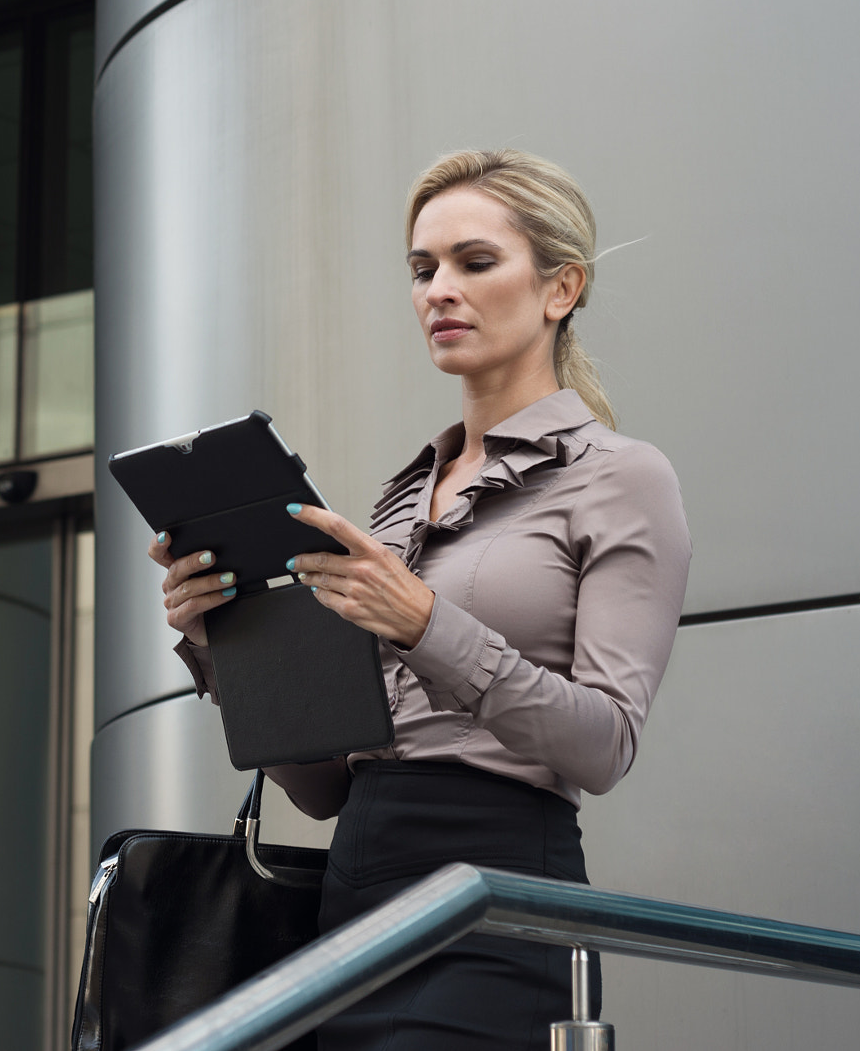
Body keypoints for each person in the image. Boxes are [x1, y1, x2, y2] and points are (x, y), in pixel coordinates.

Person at [152, 149, 692, 1049]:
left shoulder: (622, 477)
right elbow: (324, 792)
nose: (440, 288)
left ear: (562, 287)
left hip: (500, 885)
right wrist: (224, 642)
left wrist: (427, 624)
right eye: (422, 268)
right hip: (353, 893)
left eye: (474, 262)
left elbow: (605, 744)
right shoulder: (399, 500)